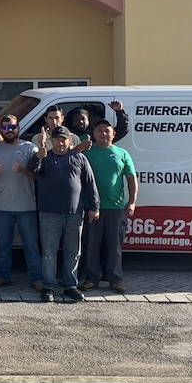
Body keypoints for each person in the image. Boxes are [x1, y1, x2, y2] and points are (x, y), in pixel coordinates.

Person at [24, 127, 99, 303]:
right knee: (49, 253)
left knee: (73, 252)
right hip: (49, 213)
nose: (60, 143)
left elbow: (90, 184)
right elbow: (32, 169)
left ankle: (70, 286)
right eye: (56, 139)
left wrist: (95, 207)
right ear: (52, 140)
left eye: (63, 139)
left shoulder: (79, 158)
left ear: (69, 140)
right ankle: (49, 287)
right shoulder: (45, 157)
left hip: (74, 213)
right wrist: (37, 156)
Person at [0, 114, 43, 290]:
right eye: (6, 127)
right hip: (1, 206)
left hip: (26, 206)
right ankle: (3, 276)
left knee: (31, 245)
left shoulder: (30, 149)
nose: (9, 130)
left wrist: (23, 171)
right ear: (1, 130)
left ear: (18, 128)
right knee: (2, 245)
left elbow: (39, 175)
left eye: (13, 127)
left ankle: (36, 278)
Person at [79, 118, 137, 293]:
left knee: (114, 247)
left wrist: (132, 201)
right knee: (91, 246)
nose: (103, 133)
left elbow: (131, 179)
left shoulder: (122, 153)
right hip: (91, 207)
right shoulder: (86, 153)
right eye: (99, 130)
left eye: (107, 130)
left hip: (116, 208)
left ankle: (115, 280)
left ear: (113, 134)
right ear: (94, 134)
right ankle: (91, 279)